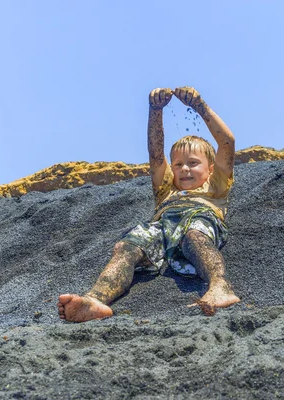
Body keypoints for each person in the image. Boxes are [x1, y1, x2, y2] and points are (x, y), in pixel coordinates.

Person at [57, 86, 240, 322]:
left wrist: (199, 106)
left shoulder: (216, 186)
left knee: (195, 234)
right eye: (178, 164)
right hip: (161, 228)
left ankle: (220, 286)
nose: (185, 169)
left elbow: (227, 141)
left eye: (193, 163)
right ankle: (95, 300)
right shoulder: (166, 189)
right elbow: (155, 154)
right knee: (128, 246)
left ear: (211, 169)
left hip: (198, 221)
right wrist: (155, 110)